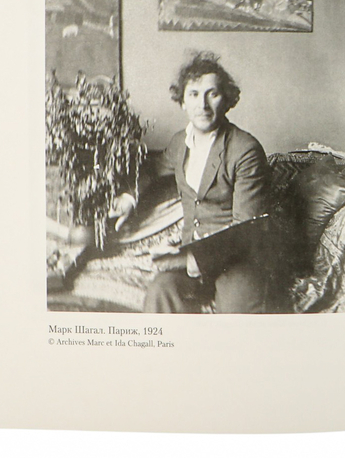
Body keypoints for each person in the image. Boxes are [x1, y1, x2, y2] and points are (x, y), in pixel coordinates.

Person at [110, 51, 273, 312]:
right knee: (160, 292)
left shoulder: (245, 149)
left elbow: (246, 231)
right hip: (190, 257)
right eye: (194, 94)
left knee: (236, 317)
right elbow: (152, 170)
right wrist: (129, 197)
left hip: (236, 262)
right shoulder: (179, 143)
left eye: (212, 94)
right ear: (183, 102)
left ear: (227, 100)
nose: (202, 105)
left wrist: (187, 258)